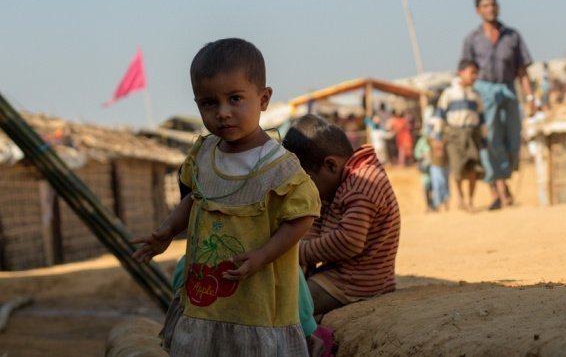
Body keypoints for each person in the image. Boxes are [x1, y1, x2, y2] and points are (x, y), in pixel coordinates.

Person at [131, 38, 321, 356]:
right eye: (209, 103)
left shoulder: (278, 167)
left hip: (258, 303)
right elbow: (196, 198)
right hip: (207, 300)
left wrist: (262, 256)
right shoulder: (204, 154)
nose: (223, 113)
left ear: (263, 99)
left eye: (235, 99)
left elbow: (302, 217)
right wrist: (167, 230)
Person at [283, 114, 401, 318]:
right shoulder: (338, 182)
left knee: (286, 304)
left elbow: (350, 240)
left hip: (357, 281)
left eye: (306, 182)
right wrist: (299, 255)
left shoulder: (362, 183)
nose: (304, 191)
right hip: (338, 274)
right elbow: (315, 222)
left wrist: (300, 252)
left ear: (330, 165)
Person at [461, 0, 535, 209]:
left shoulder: (513, 36)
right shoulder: (472, 40)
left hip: (509, 89)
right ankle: (499, 188)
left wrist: (530, 97)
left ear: (498, 7)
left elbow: (523, 71)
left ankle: (503, 181)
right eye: (485, 6)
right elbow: (465, 72)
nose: (490, 9)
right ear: (478, 11)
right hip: (483, 91)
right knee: (490, 139)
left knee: (513, 140)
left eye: (493, 5)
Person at [434, 60, 486, 212]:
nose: (474, 76)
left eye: (476, 73)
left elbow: (482, 118)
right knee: (457, 169)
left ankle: (470, 200)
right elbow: (440, 116)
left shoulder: (475, 95)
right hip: (454, 135)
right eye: (472, 72)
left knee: (473, 169)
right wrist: (438, 137)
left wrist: (484, 137)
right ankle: (460, 197)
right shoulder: (449, 94)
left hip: (472, 134)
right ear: (461, 73)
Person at [413, 129, 434, 211]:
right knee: (426, 187)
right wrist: (425, 155)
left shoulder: (434, 140)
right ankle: (428, 206)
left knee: (433, 188)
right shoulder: (421, 142)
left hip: (434, 168)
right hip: (425, 169)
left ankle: (433, 205)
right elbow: (416, 154)